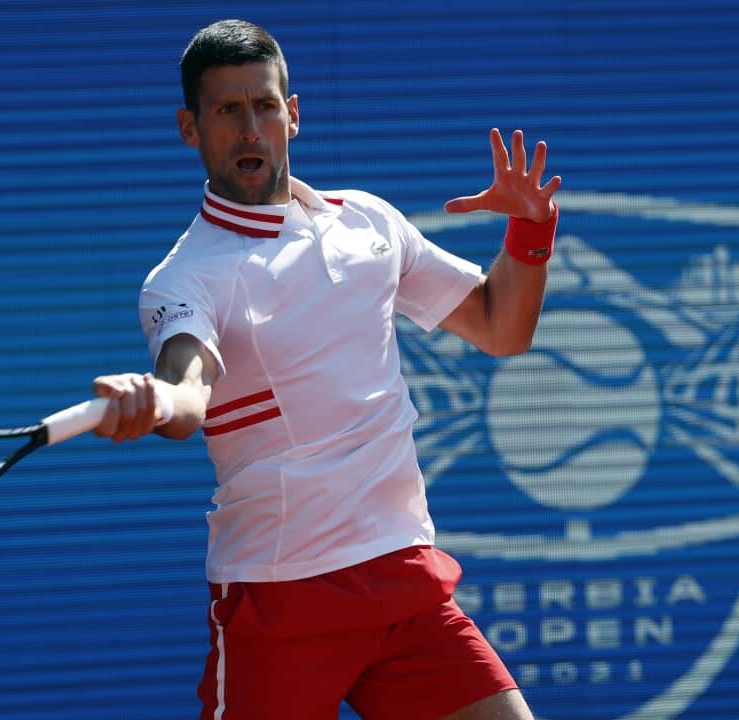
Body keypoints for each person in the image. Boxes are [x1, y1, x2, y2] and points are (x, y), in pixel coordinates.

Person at [92, 19, 560, 720]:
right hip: (281, 602)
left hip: (403, 583)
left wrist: (529, 234)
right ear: (190, 128)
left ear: (293, 114)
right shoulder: (184, 279)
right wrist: (154, 400)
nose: (250, 129)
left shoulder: (367, 222)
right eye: (227, 111)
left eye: (265, 106)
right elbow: (188, 394)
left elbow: (502, 328)